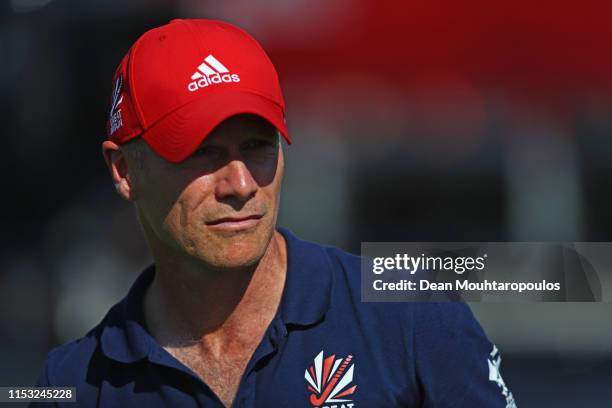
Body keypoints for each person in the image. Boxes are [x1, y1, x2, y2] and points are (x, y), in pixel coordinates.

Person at [35, 19, 516, 408]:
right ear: (124, 171)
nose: (241, 185)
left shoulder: (412, 317)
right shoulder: (73, 385)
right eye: (203, 153)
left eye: (258, 147)